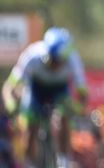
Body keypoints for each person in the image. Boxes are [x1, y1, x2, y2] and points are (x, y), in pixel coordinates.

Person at [2, 27, 88, 167]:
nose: (57, 65)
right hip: (36, 90)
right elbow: (10, 86)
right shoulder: (31, 56)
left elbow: (83, 92)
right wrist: (10, 103)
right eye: (54, 61)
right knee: (31, 129)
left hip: (60, 91)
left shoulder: (73, 59)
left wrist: (79, 108)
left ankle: (64, 161)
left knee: (63, 118)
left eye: (61, 61)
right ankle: (30, 164)